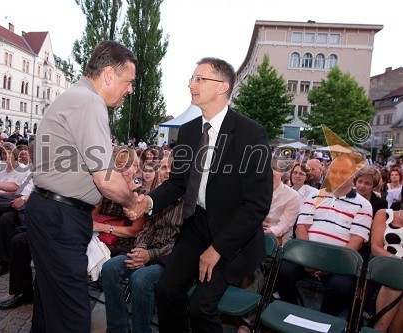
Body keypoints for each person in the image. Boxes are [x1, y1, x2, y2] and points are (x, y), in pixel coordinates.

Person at [126, 57, 273, 333]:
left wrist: (218, 249)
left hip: (233, 235)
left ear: (222, 87)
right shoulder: (190, 130)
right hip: (196, 226)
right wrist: (149, 201)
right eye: (192, 78)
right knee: (167, 292)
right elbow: (178, 182)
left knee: (201, 307)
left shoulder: (251, 134)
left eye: (199, 79)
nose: (191, 84)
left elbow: (257, 205)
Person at [24, 40, 138, 333]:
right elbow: (104, 178)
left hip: (52, 212)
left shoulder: (76, 96)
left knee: (50, 308)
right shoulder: (90, 102)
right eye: (129, 81)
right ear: (109, 75)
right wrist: (131, 202)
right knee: (72, 317)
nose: (130, 90)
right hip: (61, 218)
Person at [276, 155, 373, 316]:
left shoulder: (364, 205)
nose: (337, 175)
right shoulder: (314, 196)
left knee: (341, 287)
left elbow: (356, 241)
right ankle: (293, 314)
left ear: (353, 176)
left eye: (344, 172)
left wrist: (331, 263)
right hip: (307, 254)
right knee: (281, 269)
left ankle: (323, 321)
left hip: (338, 261)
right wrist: (307, 257)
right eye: (334, 171)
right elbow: (301, 227)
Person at [101, 154, 183, 333]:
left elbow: (182, 242)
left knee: (140, 279)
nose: (167, 171)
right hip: (146, 251)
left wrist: (150, 255)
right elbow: (145, 229)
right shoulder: (156, 197)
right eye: (163, 167)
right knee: (109, 268)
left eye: (172, 167)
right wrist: (140, 248)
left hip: (169, 259)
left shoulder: (189, 202)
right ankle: (118, 328)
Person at [370, 207, 403, 332]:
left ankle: (379, 329)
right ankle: (380, 328)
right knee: (396, 274)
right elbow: (375, 247)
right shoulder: (384, 214)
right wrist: (397, 261)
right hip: (386, 262)